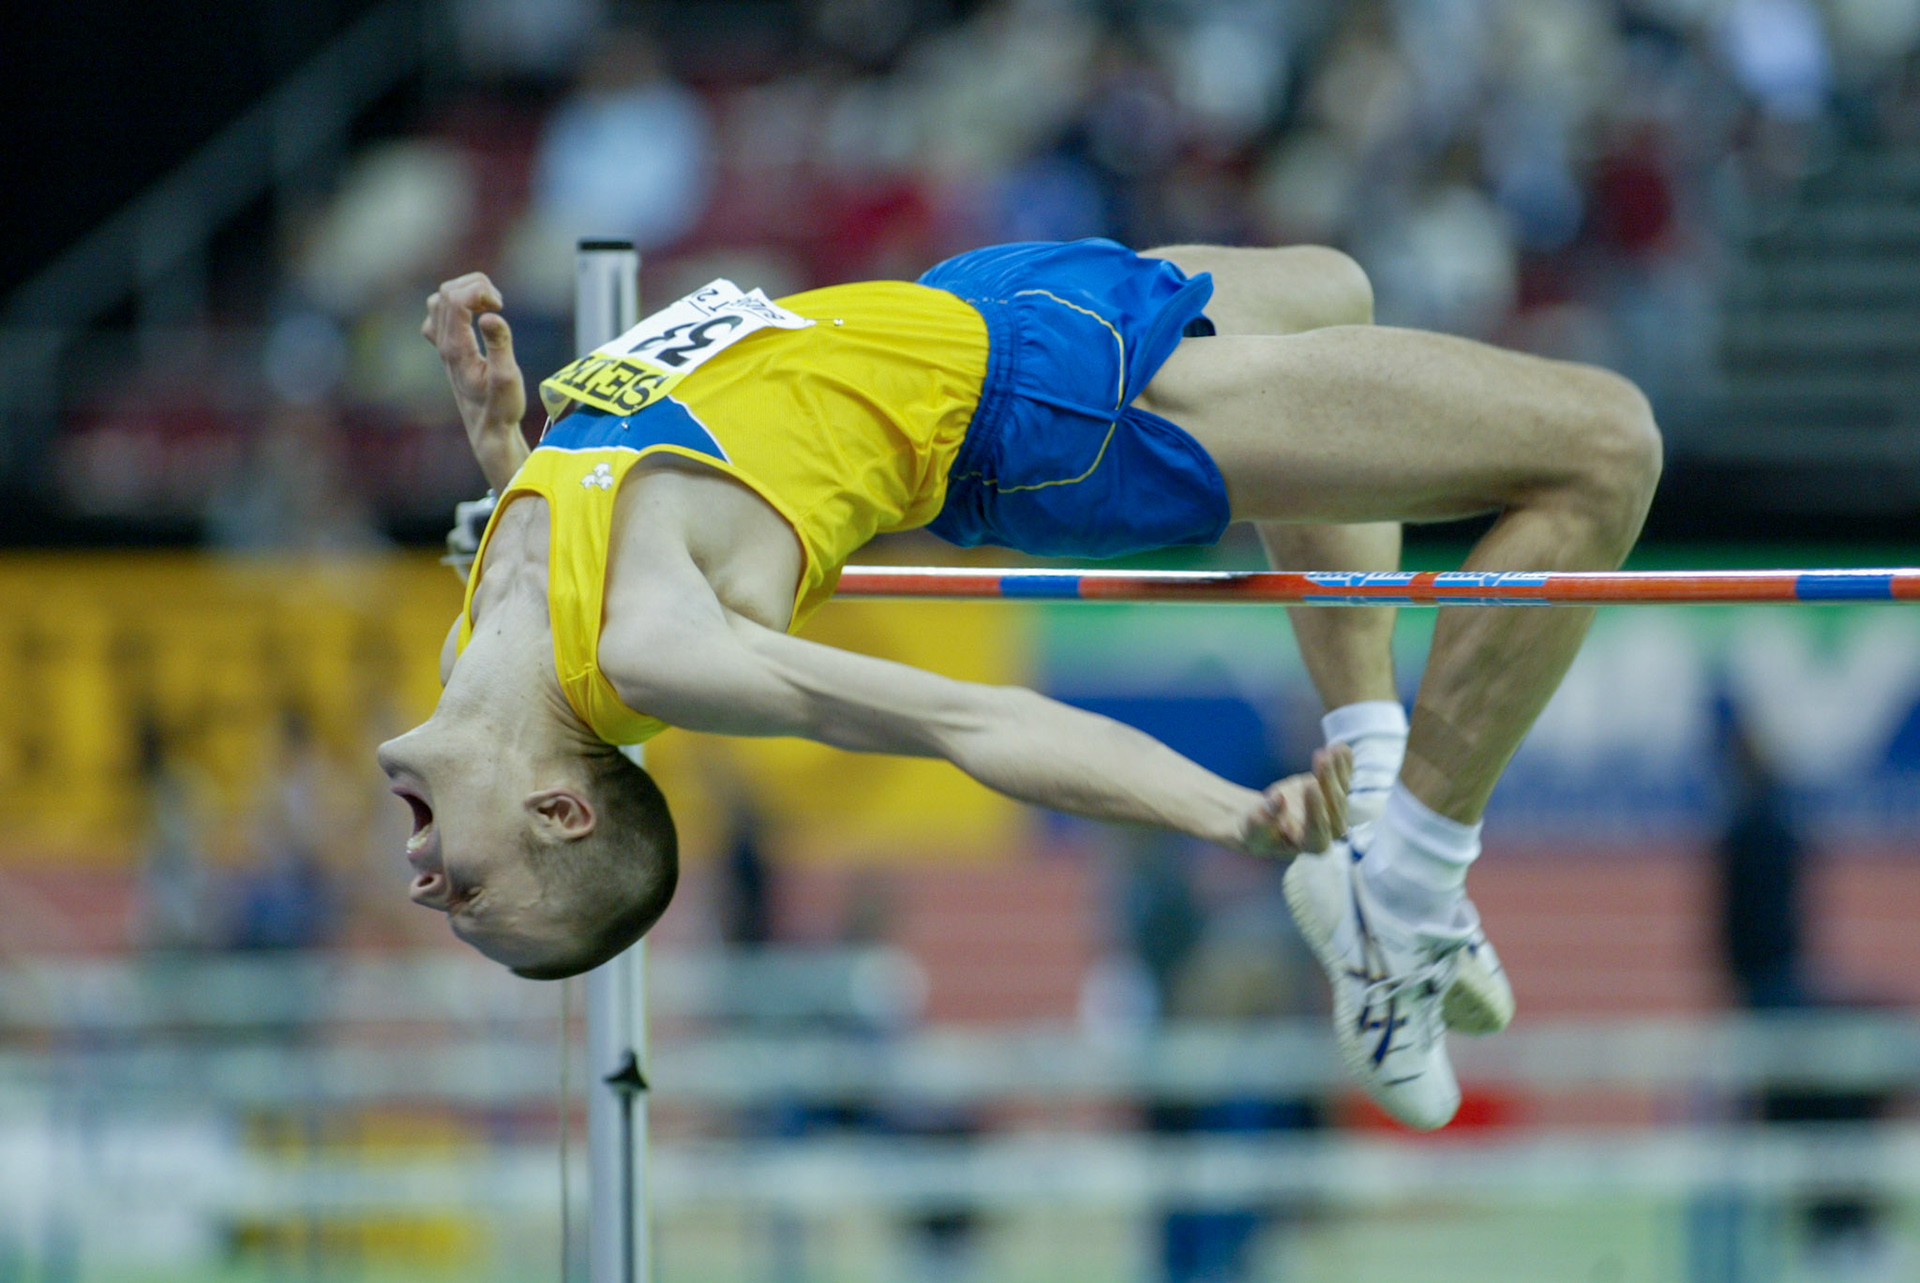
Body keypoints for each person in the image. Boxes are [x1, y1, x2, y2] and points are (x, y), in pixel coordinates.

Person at [378, 238, 1661, 1129]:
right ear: (563, 809)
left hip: (974, 304)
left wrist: (500, 438)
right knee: (1606, 449)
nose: (429, 880)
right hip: (1045, 411)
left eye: (453, 897)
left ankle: (1380, 797)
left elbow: (569, 506)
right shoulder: (655, 646)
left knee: (1336, 290)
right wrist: (1232, 815)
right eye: (470, 896)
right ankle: (1411, 882)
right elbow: (974, 721)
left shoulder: (485, 635)